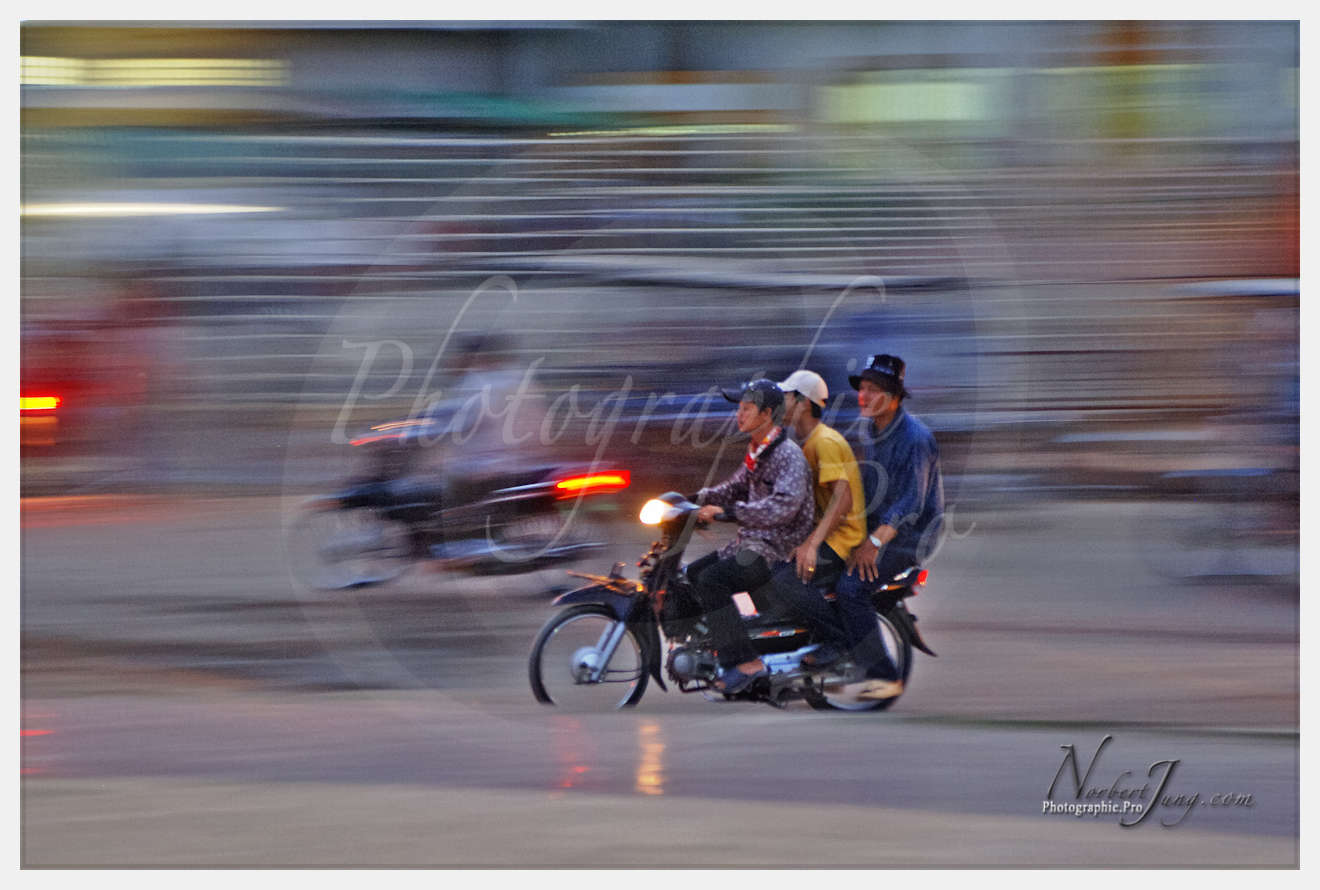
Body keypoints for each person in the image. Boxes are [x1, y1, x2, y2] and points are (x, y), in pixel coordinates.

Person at [691, 378, 815, 693]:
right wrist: (693, 499)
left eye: (747, 409)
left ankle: (746, 663)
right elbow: (733, 487)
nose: (740, 415)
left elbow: (781, 508)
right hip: (750, 542)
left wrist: (726, 514)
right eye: (740, 408)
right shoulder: (758, 450)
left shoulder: (788, 456)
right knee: (693, 573)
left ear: (767, 413)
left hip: (774, 549)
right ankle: (716, 648)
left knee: (712, 580)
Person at [838, 353, 945, 700]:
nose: (864, 396)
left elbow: (910, 504)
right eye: (862, 388)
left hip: (908, 538)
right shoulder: (872, 432)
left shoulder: (915, 438)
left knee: (852, 587)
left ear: (895, 396)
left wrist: (872, 543)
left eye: (874, 389)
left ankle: (883, 675)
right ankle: (831, 656)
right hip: (877, 528)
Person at [764, 369, 868, 668]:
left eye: (785, 397)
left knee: (785, 581)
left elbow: (843, 500)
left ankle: (837, 641)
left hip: (843, 539)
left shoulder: (824, 442)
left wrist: (811, 544)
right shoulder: (807, 443)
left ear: (803, 403)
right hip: (828, 534)